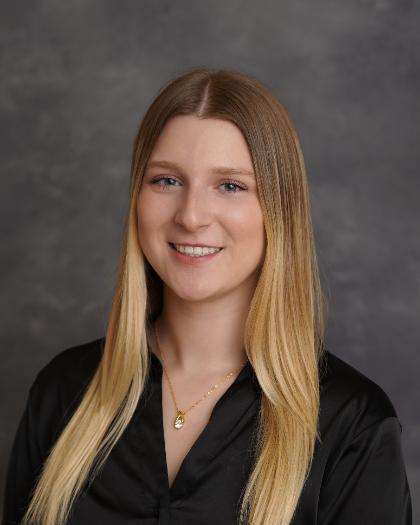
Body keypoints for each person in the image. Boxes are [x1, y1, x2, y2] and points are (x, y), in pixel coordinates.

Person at [2, 68, 412, 525]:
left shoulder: (352, 424)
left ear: (278, 211)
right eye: (166, 181)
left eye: (231, 186)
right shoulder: (64, 392)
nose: (192, 215)